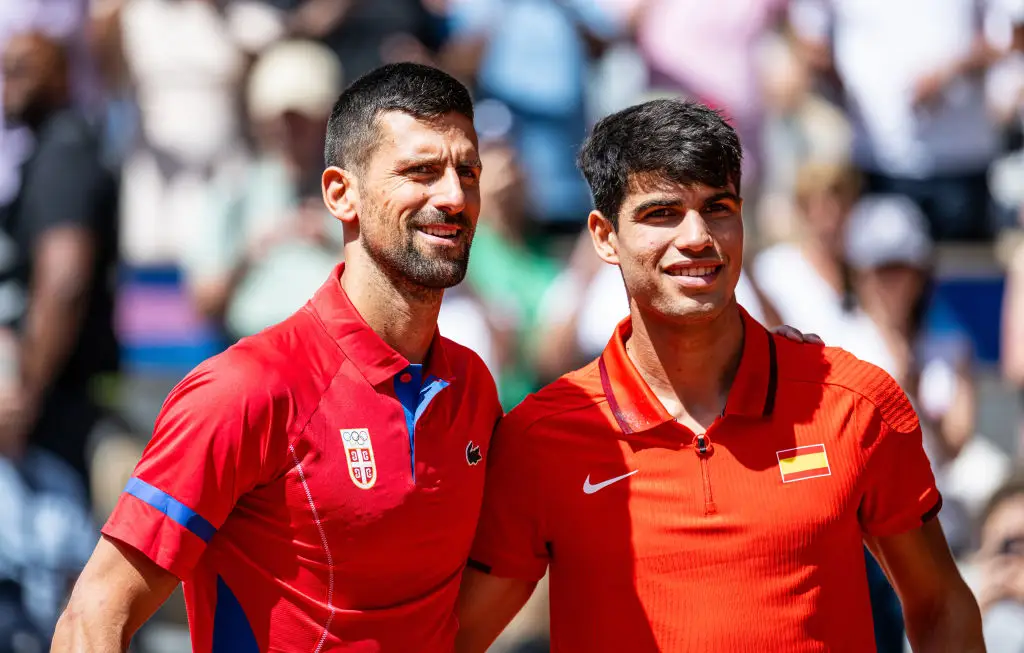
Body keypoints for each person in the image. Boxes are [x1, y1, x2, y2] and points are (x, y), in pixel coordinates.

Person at [456, 99, 984, 652]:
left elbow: (941, 605)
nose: (697, 236)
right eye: (662, 213)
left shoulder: (854, 401)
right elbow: (457, 638)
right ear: (604, 236)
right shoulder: (540, 439)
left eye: (718, 207)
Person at [52, 62, 503, 652]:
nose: (453, 195)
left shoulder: (472, 385)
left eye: (467, 172)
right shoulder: (246, 388)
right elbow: (92, 620)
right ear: (342, 195)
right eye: (420, 171)